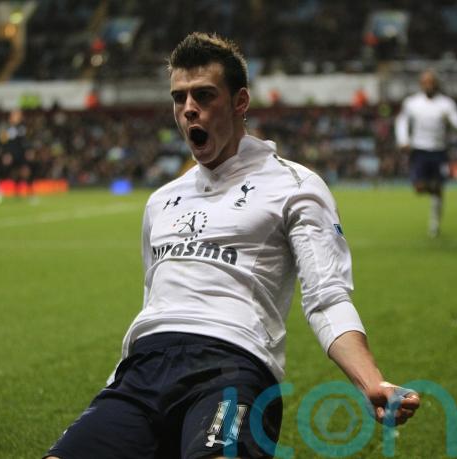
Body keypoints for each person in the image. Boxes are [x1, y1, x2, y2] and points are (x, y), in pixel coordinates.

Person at [45, 32, 419, 459]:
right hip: (143, 372)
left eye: (204, 95)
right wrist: (119, 381)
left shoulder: (295, 186)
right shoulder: (161, 201)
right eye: (179, 98)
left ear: (240, 102)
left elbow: (326, 297)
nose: (189, 109)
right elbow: (155, 302)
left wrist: (370, 380)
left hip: (230, 367)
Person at [395, 69, 457, 237]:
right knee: (419, 187)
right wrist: (403, 140)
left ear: (437, 84)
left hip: (439, 150)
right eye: (426, 82)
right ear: (421, 84)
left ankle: (435, 224)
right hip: (419, 149)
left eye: (431, 82)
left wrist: (450, 121)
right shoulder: (412, 103)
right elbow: (402, 122)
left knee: (438, 189)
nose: (429, 85)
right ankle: (434, 188)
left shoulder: (446, 104)